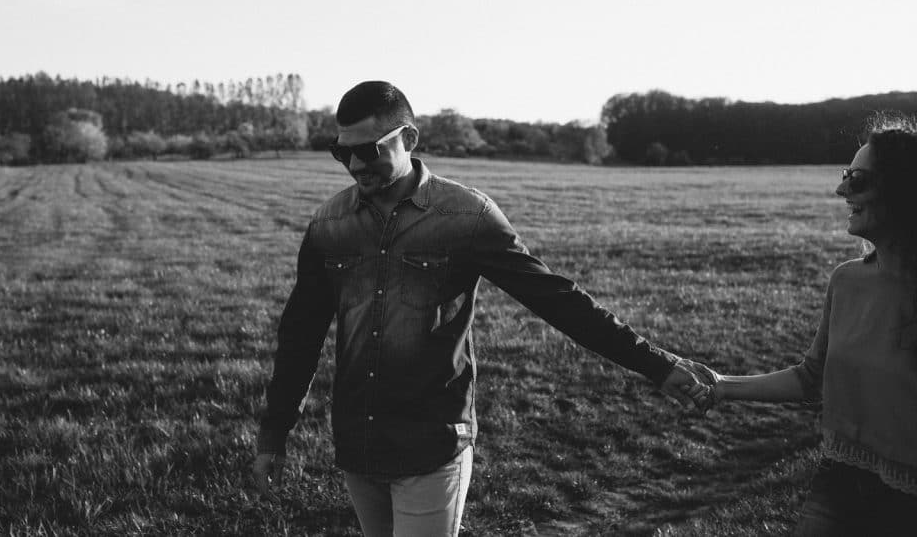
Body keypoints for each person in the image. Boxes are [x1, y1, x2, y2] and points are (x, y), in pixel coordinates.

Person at [252, 81, 710, 537]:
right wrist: (275, 432)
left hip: (431, 443)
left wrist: (655, 364)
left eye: (369, 150)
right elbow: (301, 334)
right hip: (357, 442)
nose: (354, 165)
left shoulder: (466, 217)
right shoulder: (328, 224)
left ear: (408, 139)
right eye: (341, 152)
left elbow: (558, 300)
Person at [694, 118, 917, 535]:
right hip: (839, 482)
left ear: (902, 191)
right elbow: (810, 378)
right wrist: (722, 385)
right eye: (845, 177)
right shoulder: (847, 280)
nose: (841, 191)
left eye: (858, 181)